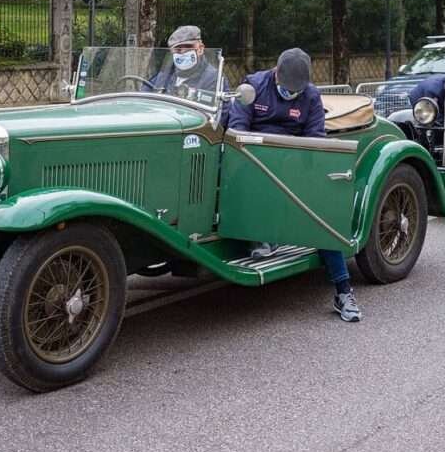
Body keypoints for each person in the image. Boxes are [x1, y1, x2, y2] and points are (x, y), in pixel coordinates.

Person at [228, 48, 362, 323]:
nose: (291, 93)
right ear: (275, 74)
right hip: (253, 163)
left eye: (296, 90)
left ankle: (343, 291)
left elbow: (315, 140)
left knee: (320, 215)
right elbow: (237, 130)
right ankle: (260, 234)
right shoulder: (252, 87)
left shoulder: (310, 96)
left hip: (293, 166)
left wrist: (303, 174)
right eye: (287, 88)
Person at [148, 25, 227, 107]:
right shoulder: (165, 75)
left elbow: (215, 116)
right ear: (171, 52)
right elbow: (144, 98)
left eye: (188, 47)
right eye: (178, 49)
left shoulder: (214, 79)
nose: (183, 52)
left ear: (200, 49)